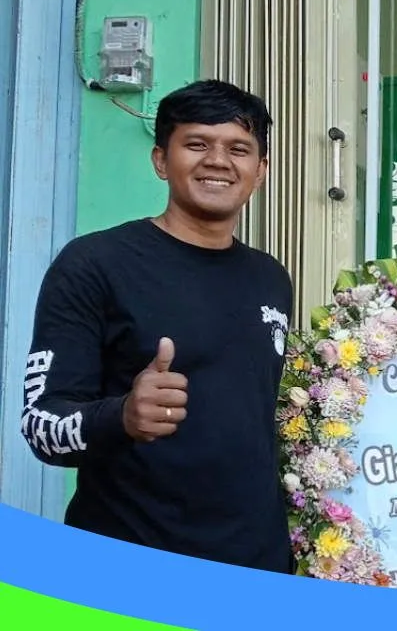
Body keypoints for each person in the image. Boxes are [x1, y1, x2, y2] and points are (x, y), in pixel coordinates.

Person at [19, 79, 295, 573]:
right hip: (126, 567)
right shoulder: (94, 264)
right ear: (160, 161)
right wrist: (122, 415)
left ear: (261, 171)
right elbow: (42, 425)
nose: (217, 160)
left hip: (257, 564)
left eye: (238, 148)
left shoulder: (271, 279)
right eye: (196, 144)